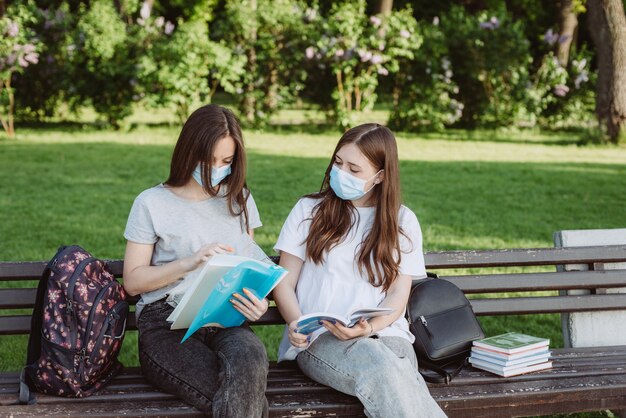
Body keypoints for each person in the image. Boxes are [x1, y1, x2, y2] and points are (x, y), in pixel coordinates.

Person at [272, 123, 447, 418]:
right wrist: (296, 323)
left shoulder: (402, 221)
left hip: (388, 336)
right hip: (321, 339)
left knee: (386, 363)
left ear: (379, 176)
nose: (341, 174)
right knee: (382, 367)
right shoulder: (308, 210)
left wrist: (369, 328)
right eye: (338, 163)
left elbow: (397, 294)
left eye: (354, 169)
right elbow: (284, 282)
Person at [122, 104, 269, 417]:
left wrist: (257, 303)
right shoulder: (151, 202)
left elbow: (247, 266)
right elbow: (133, 282)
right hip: (167, 323)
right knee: (239, 391)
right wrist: (189, 263)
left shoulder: (239, 198)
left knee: (250, 360)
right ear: (189, 151)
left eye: (226, 161)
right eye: (208, 160)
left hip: (225, 317)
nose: (217, 168)